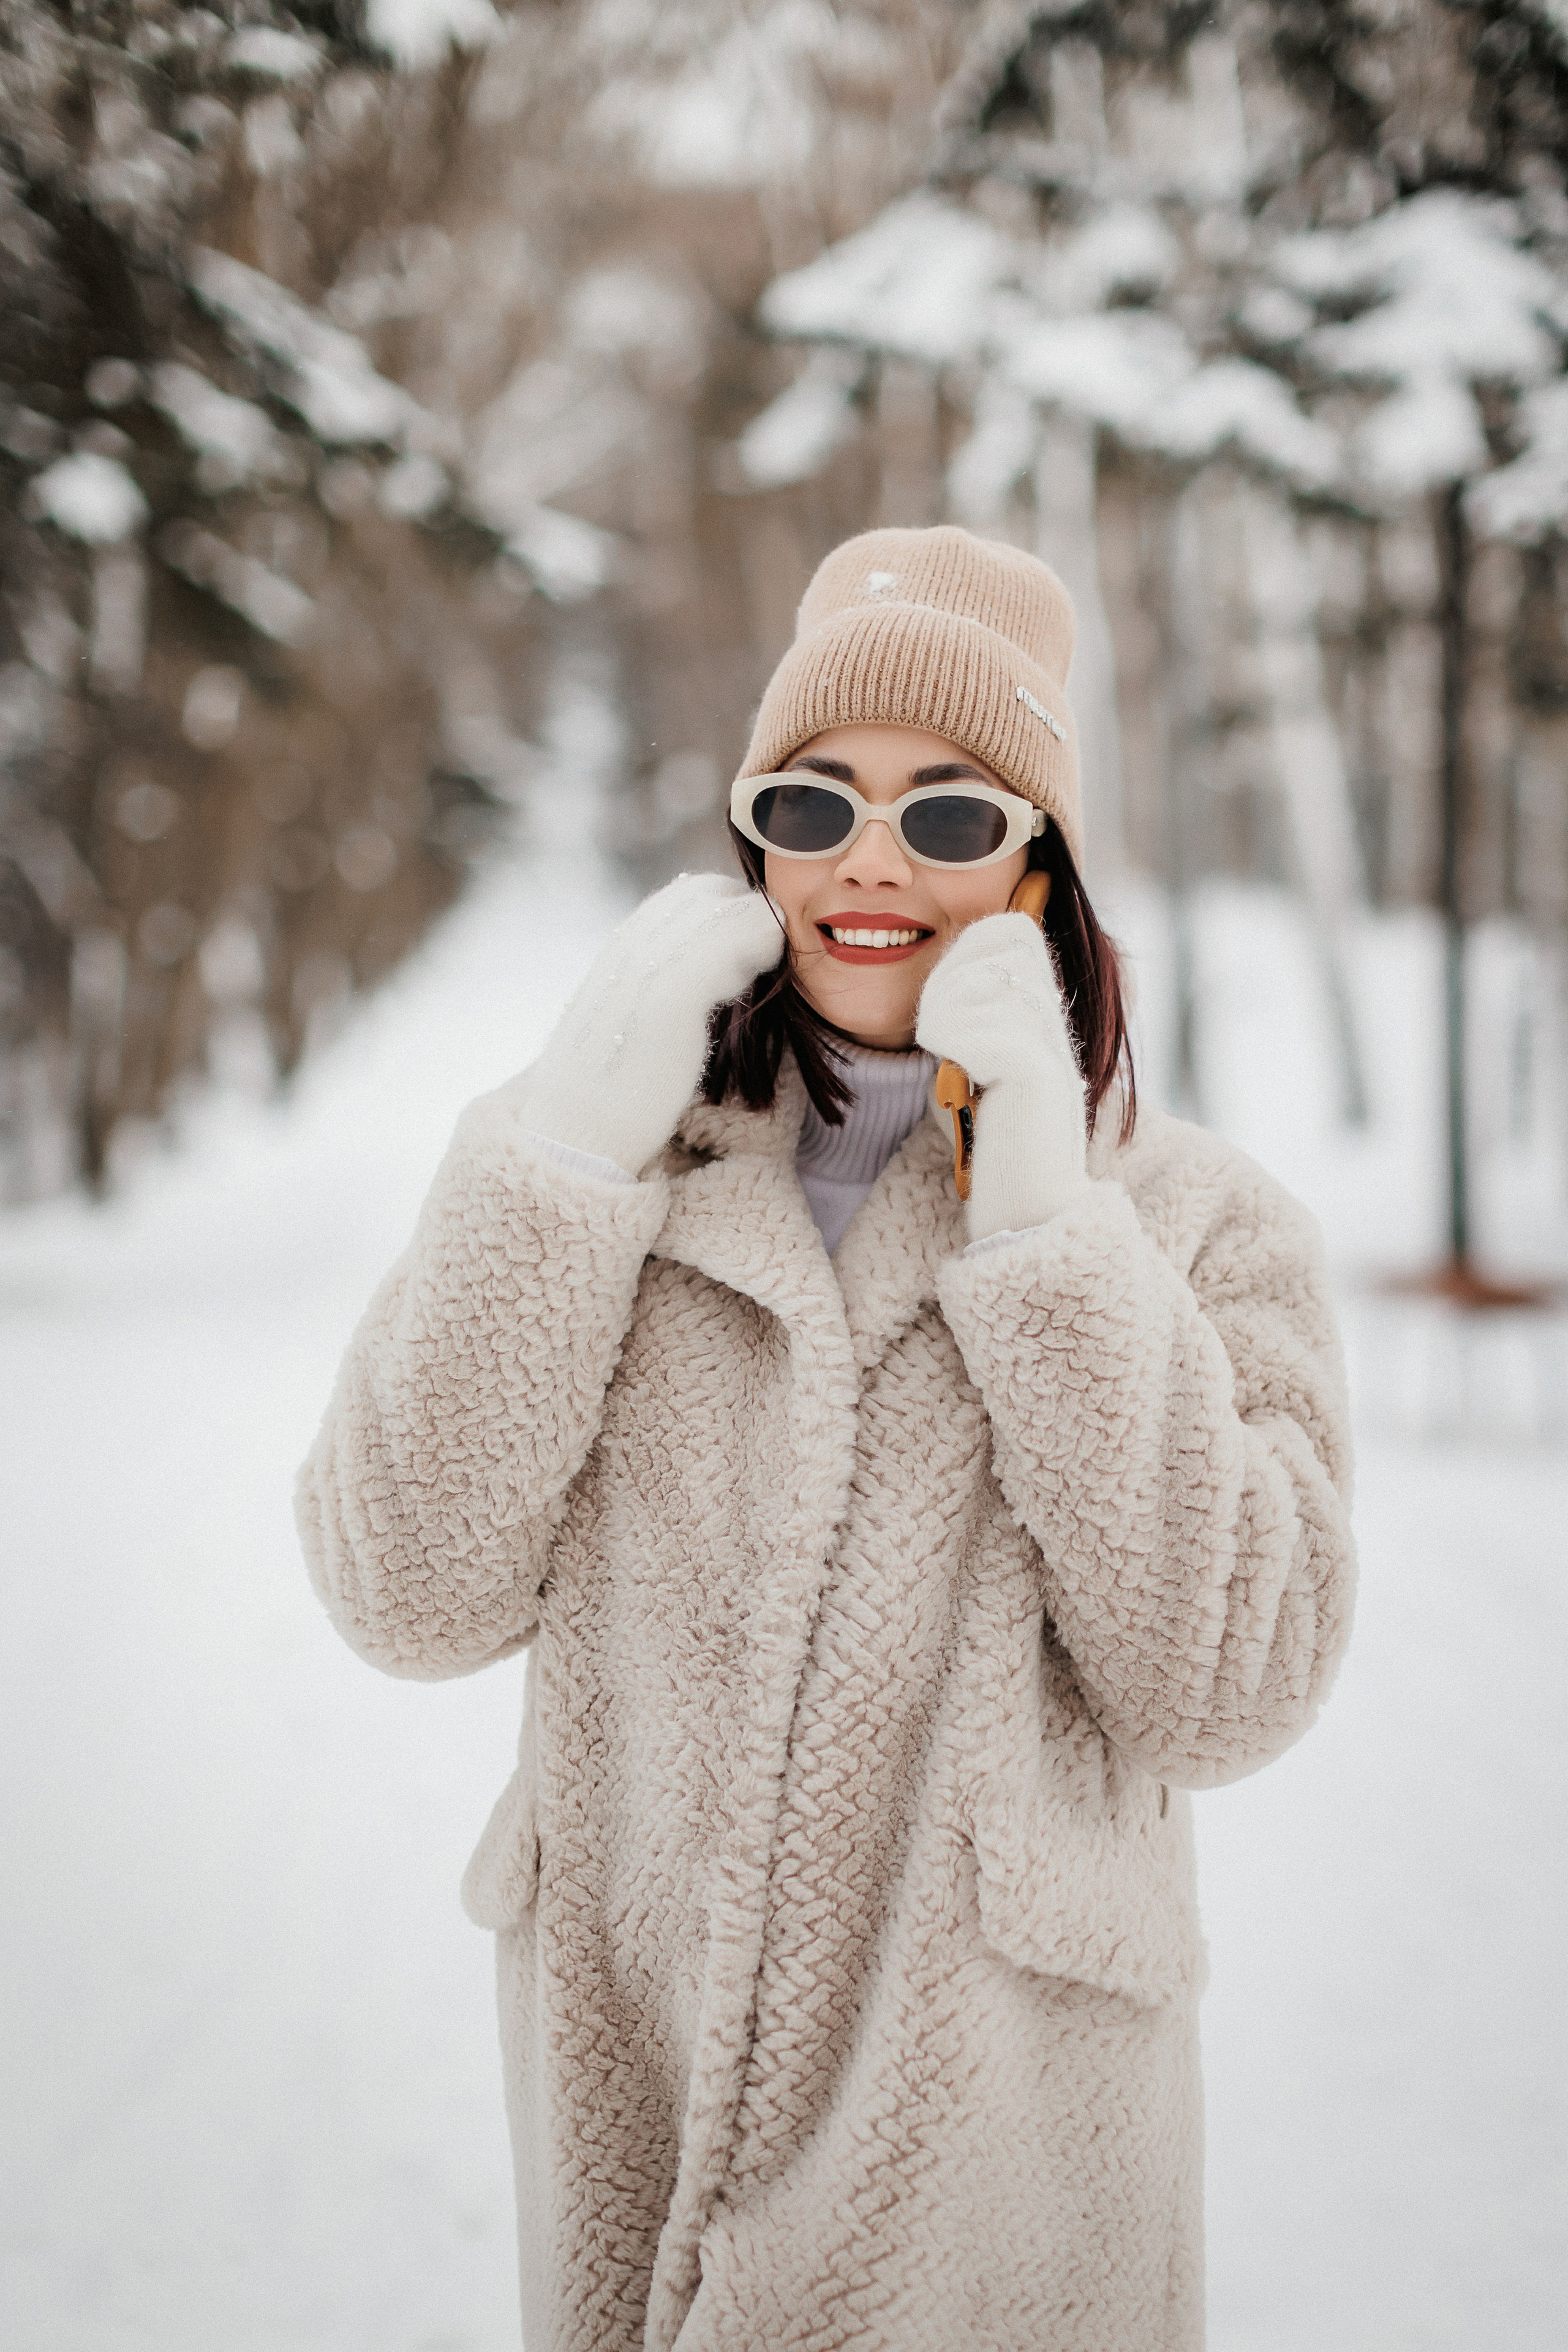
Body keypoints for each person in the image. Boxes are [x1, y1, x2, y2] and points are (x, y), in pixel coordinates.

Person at [296, 526, 1355, 2352]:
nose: (871, 862)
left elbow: (1235, 1686)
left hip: (999, 2215)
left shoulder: (1198, 1227)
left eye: (949, 815)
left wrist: (1049, 1236)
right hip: (635, 2131)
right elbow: (404, 1587)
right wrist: (564, 1155)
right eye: (813, 804)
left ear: (1039, 865)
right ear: (756, 841)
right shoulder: (604, 1174)